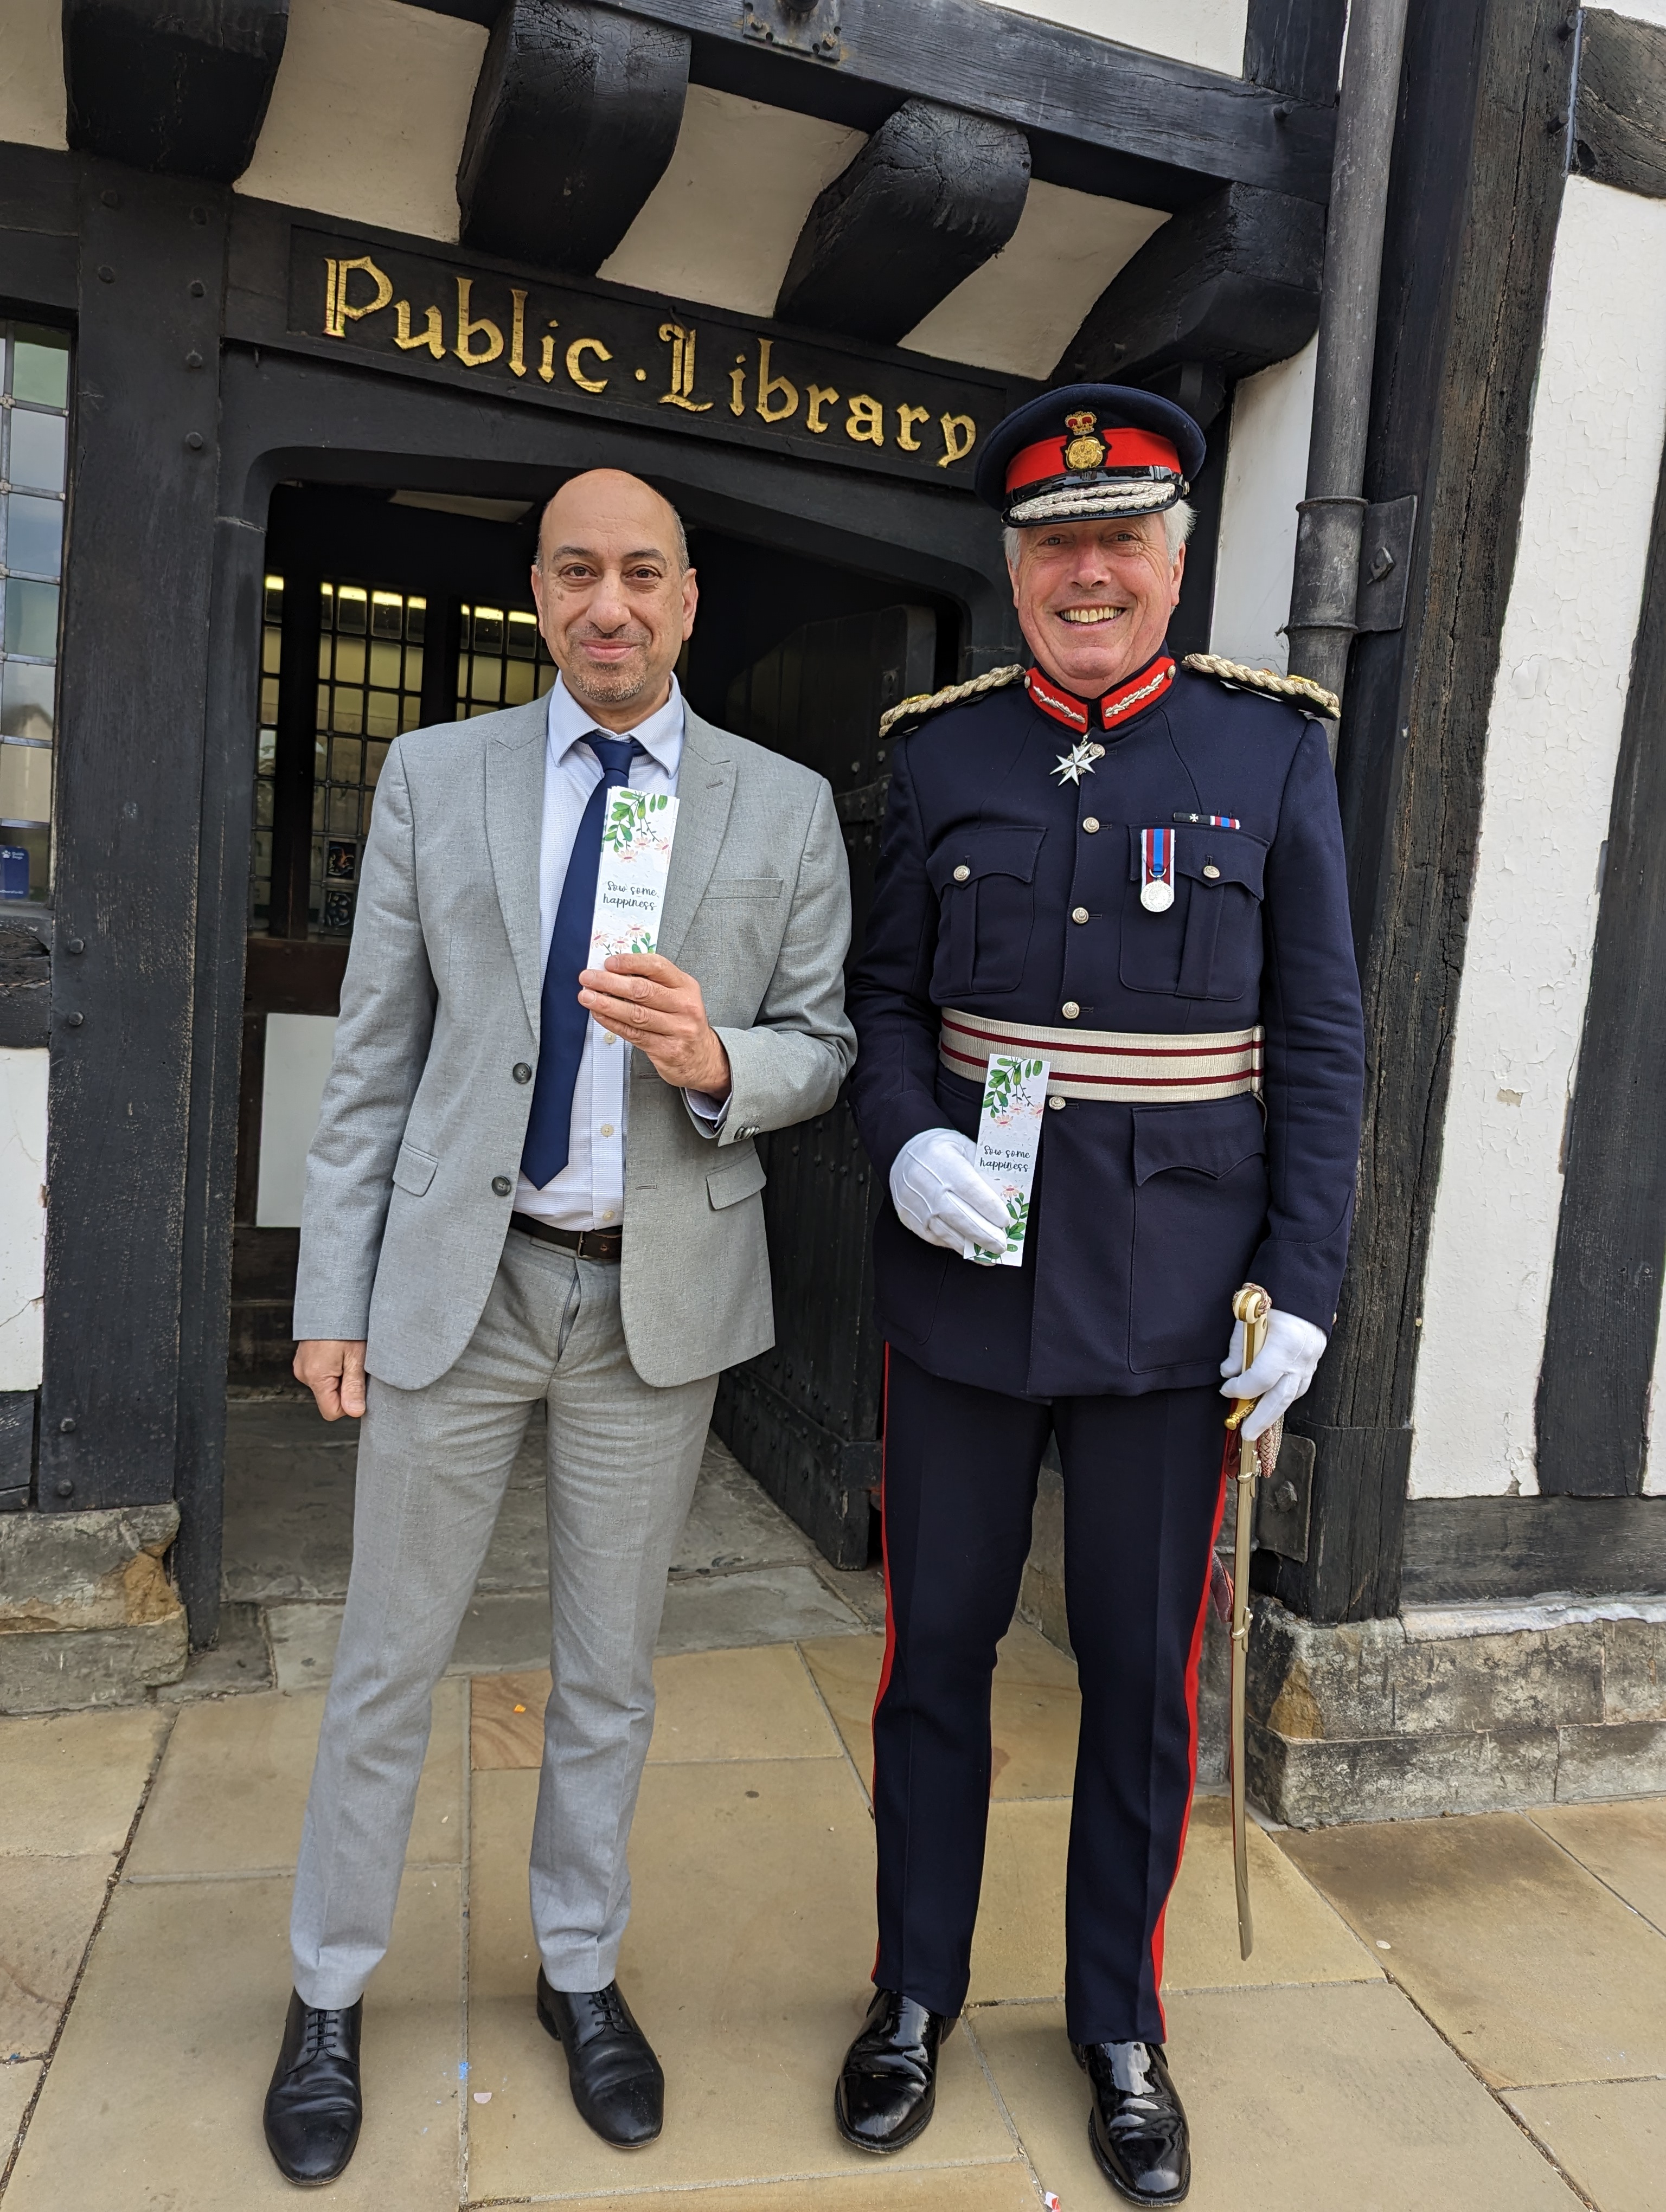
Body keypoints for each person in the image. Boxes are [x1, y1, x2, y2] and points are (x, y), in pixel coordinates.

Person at [262, 468, 855, 2186]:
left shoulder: (783, 804)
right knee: (388, 1658)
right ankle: (326, 1991)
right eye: (579, 571)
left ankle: (579, 1974)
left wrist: (720, 1060)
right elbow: (375, 1054)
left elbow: (823, 1040)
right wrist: (330, 1299)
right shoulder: (438, 777)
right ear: (540, 595)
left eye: (643, 574)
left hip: (650, 1301)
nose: (612, 602)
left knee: (609, 1672)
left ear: (688, 603)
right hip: (466, 1276)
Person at [837, 387, 1364, 2204]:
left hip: (1176, 1301)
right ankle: (911, 1991)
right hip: (968, 1285)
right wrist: (905, 1143)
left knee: (1142, 1679)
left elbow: (1320, 1043)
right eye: (1056, 544)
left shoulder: (1273, 754)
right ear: (1013, 565)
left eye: (1119, 539)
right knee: (936, 1667)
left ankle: (1118, 2023)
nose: (1087, 572)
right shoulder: (943, 756)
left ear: (1176, 555)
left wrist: (1300, 1285)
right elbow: (888, 1005)